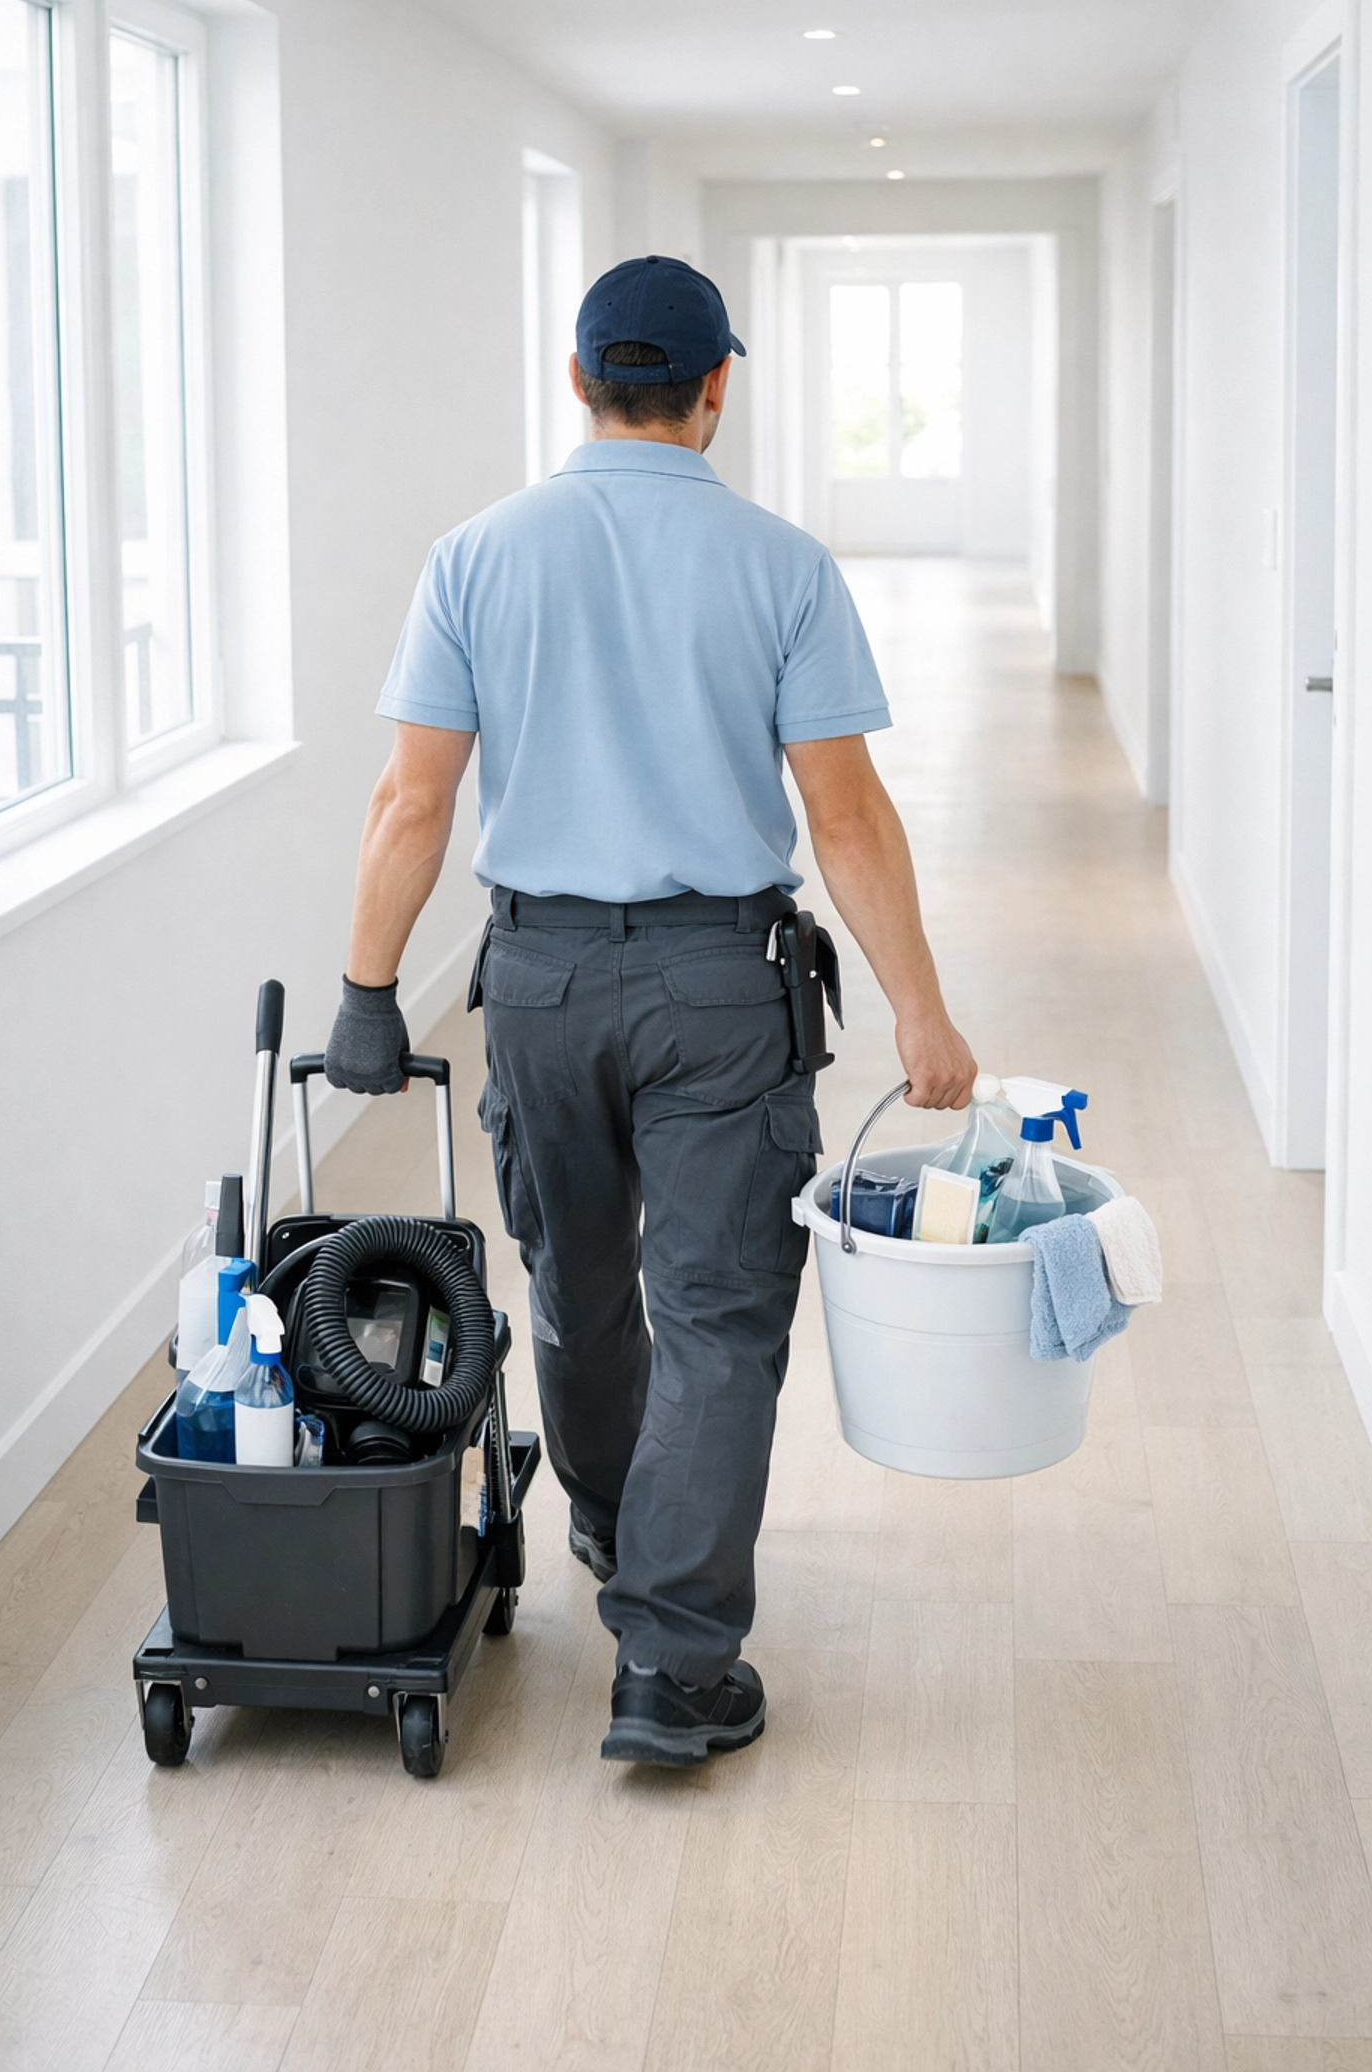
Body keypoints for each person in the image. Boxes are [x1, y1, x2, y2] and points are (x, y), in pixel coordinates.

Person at [325, 255, 975, 1766]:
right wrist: (924, 1015)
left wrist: (368, 989)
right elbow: (850, 817)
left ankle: (622, 1531)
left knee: (581, 1288)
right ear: (714, 389)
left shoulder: (474, 555)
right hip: (716, 988)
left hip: (538, 980)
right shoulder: (784, 564)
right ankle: (674, 1666)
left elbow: (410, 801)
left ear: (574, 382)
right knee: (722, 1311)